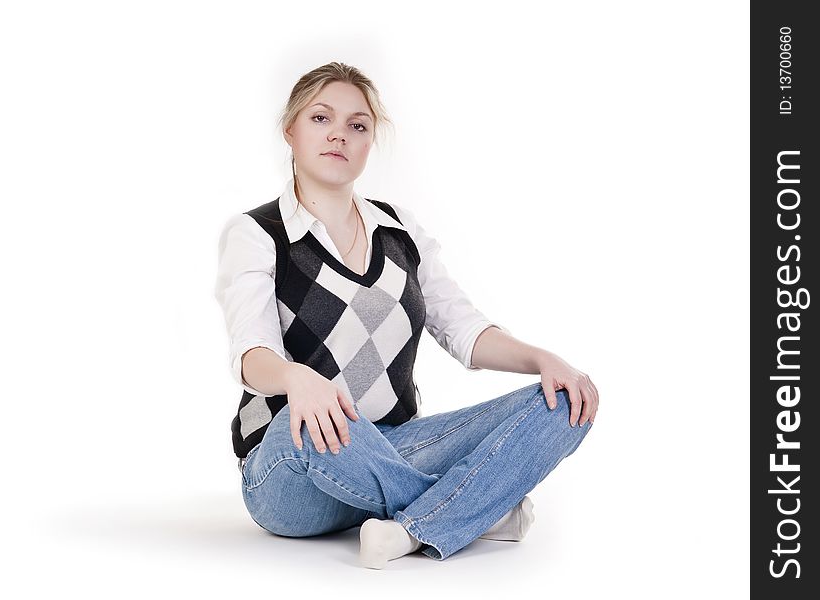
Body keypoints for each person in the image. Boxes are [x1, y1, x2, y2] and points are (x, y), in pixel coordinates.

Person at [213, 61, 599, 569]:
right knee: (299, 422)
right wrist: (296, 378)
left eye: (358, 125)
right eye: (321, 119)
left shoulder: (399, 230)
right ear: (291, 130)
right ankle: (472, 511)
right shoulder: (256, 233)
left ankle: (409, 528)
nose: (340, 136)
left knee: (564, 401)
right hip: (292, 466)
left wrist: (543, 359)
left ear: (371, 141)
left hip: (393, 447)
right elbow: (251, 354)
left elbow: (463, 328)